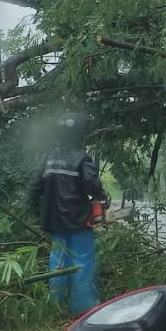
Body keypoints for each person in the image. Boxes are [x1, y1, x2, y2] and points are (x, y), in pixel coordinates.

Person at [28, 112, 109, 315]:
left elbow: (34, 187)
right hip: (78, 220)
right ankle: (84, 308)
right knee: (82, 261)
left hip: (54, 221)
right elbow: (92, 185)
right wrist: (103, 196)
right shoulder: (82, 158)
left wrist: (37, 211)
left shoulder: (47, 158)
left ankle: (55, 305)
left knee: (58, 261)